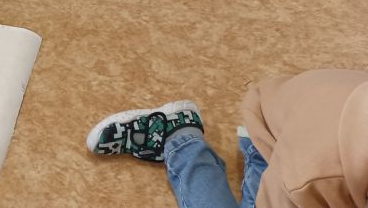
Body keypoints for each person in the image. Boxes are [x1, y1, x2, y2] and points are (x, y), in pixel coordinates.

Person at [87, 69, 368, 208]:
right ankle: (180, 140)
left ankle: (183, 137)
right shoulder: (310, 177)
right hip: (272, 139)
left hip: (306, 115)